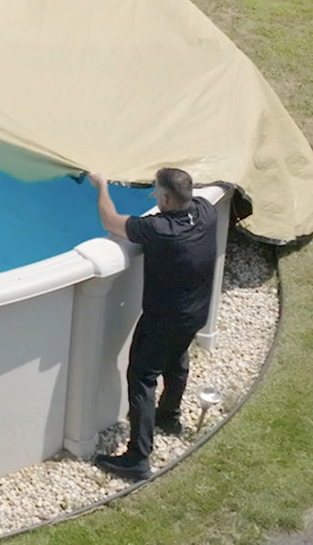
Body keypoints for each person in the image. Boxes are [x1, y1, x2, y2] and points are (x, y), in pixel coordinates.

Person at [88, 167, 218, 481]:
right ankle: (170, 416)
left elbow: (110, 222)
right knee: (177, 360)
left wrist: (101, 187)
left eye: (157, 195)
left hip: (163, 319)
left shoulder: (160, 229)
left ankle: (138, 457)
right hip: (196, 312)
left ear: (164, 198)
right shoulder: (206, 212)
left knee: (142, 376)